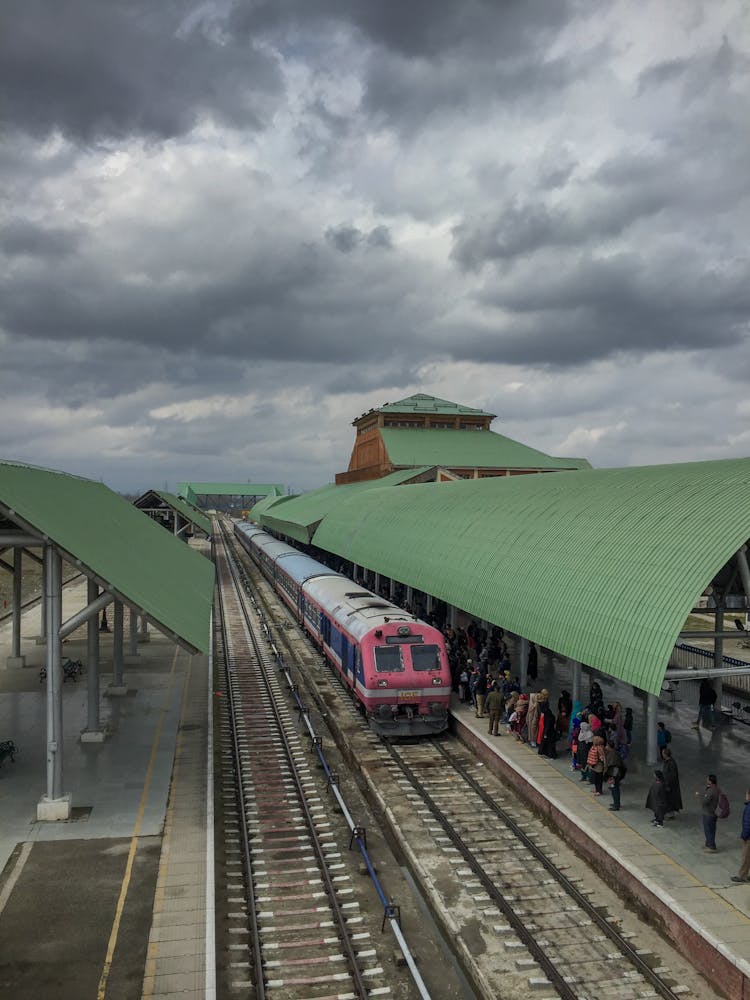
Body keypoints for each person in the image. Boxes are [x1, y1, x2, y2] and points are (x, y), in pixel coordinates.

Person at [731, 789, 750, 883]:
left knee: (746, 857)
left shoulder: (749, 808)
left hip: (749, 837)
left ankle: (743, 876)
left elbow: (747, 823)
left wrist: (744, 836)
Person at [660, 747, 683, 819]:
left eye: (663, 753)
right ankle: (668, 812)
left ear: (665, 754)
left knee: (670, 799)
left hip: (670, 786)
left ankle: (670, 814)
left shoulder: (671, 763)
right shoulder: (668, 762)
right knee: (667, 799)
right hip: (667, 784)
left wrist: (667, 784)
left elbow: (672, 776)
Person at [604, 741, 626, 811]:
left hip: (614, 775)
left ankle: (616, 805)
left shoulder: (613, 755)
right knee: (614, 789)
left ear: (609, 746)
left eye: (606, 745)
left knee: (615, 790)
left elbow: (615, 767)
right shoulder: (613, 753)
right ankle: (616, 803)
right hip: (613, 774)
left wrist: (612, 777)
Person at [702, 774, 720, 852]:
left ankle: (711, 846)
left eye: (707, 779)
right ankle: (709, 844)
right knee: (712, 829)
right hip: (714, 812)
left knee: (708, 829)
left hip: (708, 813)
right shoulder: (717, 789)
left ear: (710, 781)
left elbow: (705, 801)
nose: (706, 780)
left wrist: (700, 797)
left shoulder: (711, 790)